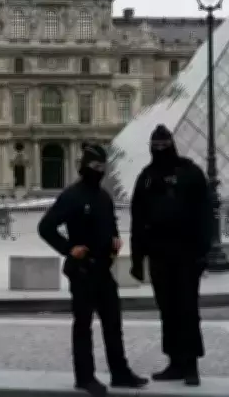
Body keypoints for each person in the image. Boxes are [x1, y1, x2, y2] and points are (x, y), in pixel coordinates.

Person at [38, 144, 147, 397]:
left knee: (113, 323)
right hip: (82, 270)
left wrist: (116, 239)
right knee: (83, 326)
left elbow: (111, 224)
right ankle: (84, 377)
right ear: (85, 167)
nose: (99, 172)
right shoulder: (71, 195)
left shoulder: (104, 196)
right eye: (95, 167)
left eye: (102, 168)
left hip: (103, 269)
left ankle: (120, 373)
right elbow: (46, 227)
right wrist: (68, 248)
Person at [129, 124, 211, 387]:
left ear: (172, 145)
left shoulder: (190, 173)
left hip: (187, 253)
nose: (160, 151)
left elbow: (205, 215)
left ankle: (191, 364)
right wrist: (136, 259)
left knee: (187, 309)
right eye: (156, 147)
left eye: (163, 146)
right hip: (159, 254)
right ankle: (175, 361)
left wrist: (203, 252)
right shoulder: (146, 177)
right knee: (167, 310)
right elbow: (137, 220)